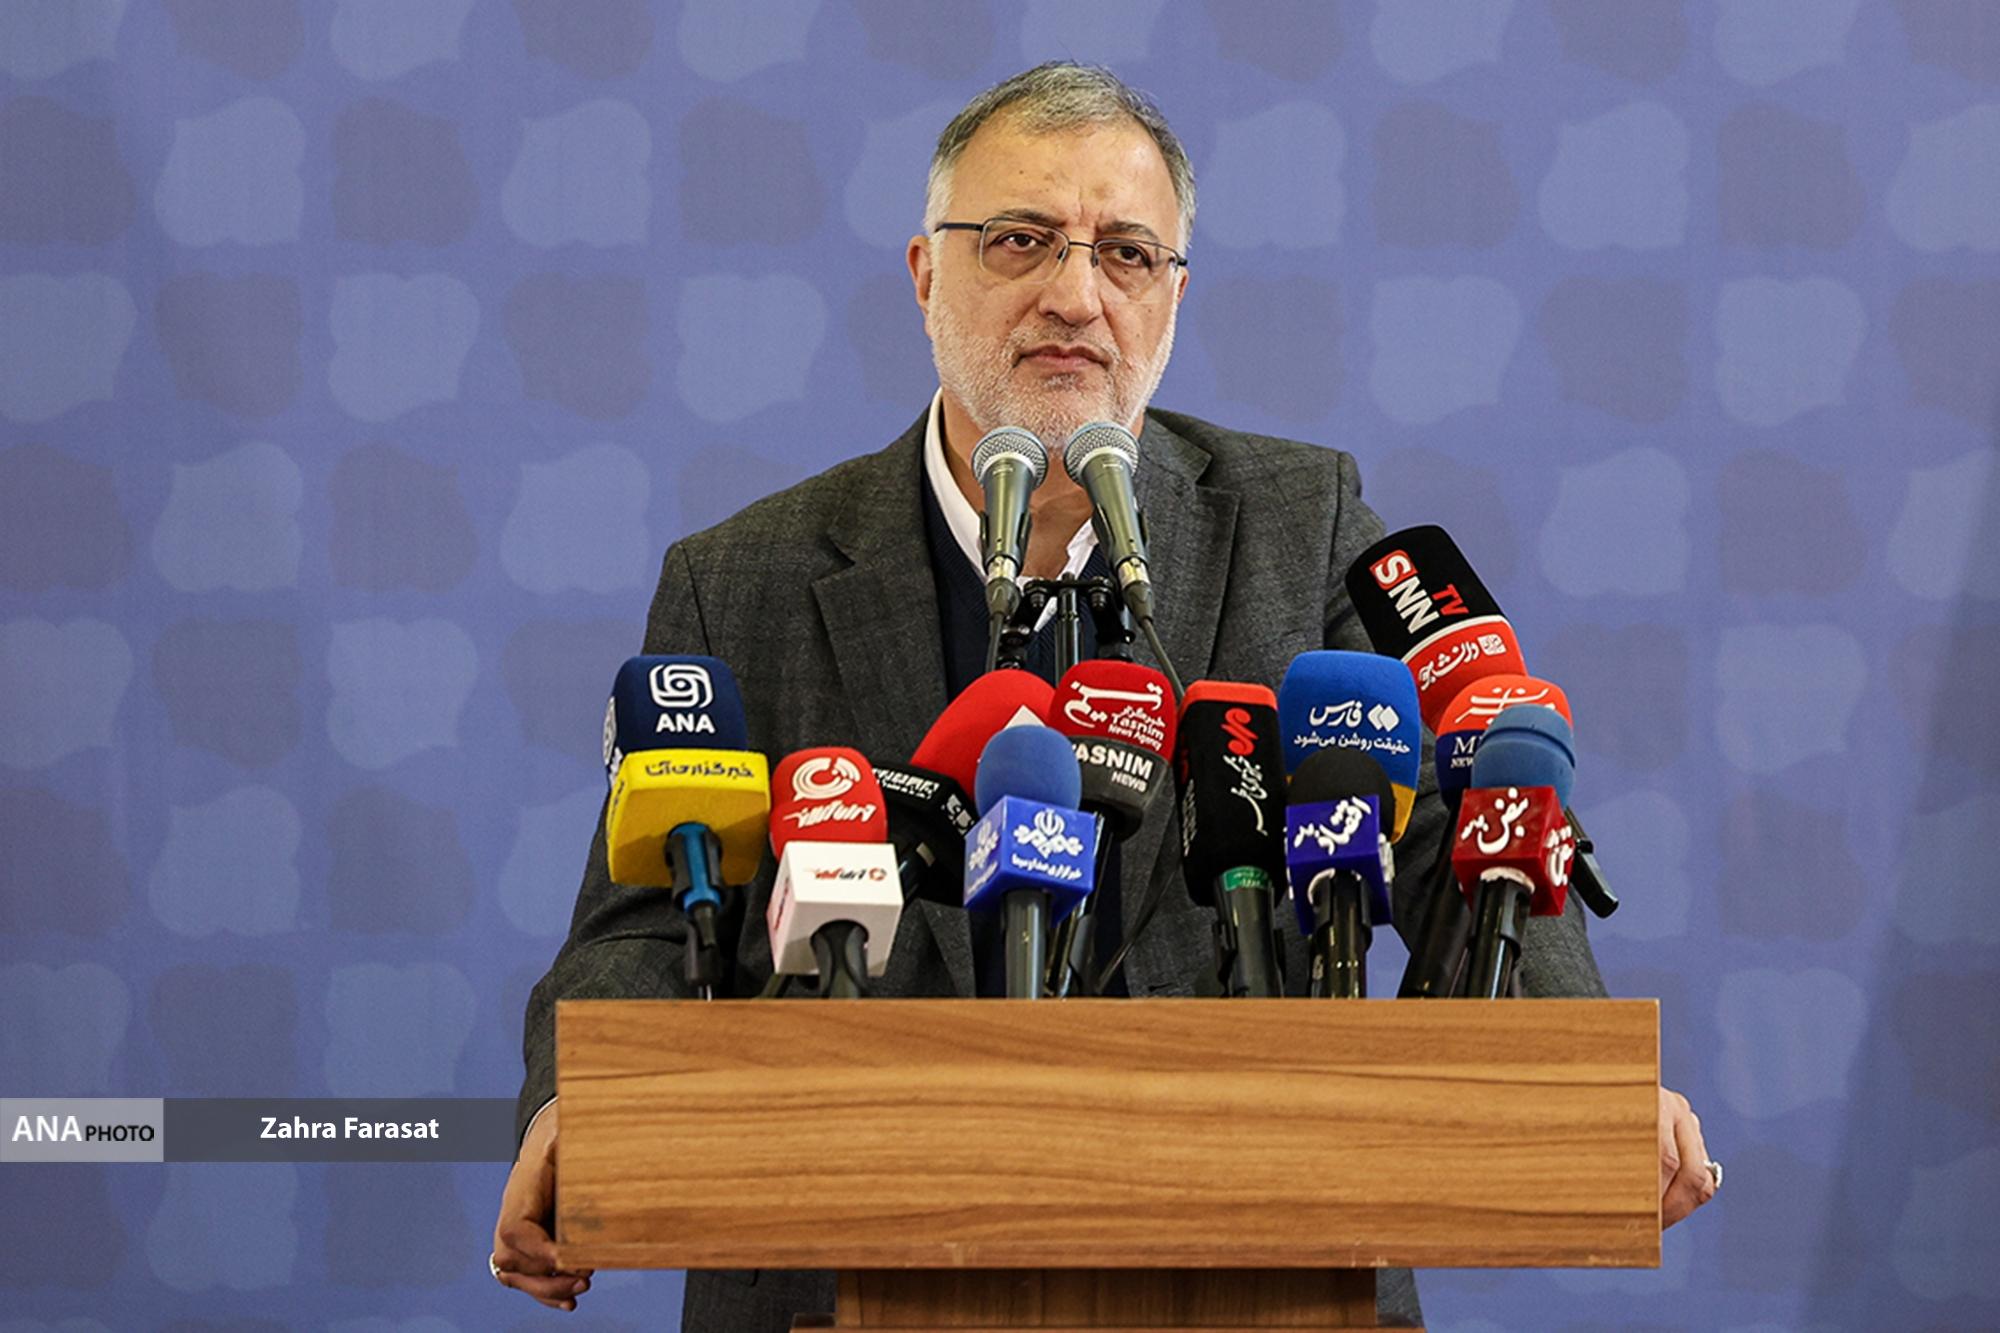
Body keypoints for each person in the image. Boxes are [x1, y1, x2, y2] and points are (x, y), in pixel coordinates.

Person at [491, 62, 1718, 1326]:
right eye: (1020, 240)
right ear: (924, 274)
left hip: (1263, 1266)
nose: (1074, 297)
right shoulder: (746, 575)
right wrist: (572, 1108)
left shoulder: (1297, 523)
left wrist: (1576, 1062)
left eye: (1126, 254)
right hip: (841, 1267)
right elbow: (648, 916)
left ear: (1172, 295)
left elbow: (1457, 831)